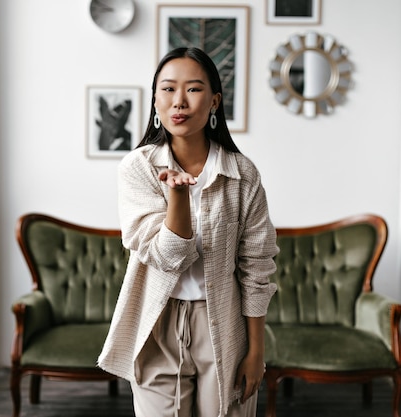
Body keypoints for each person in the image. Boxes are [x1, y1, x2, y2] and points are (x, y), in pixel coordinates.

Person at [98, 47, 278, 417]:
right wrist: (178, 197)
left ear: (214, 102)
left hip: (224, 324)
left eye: (194, 90)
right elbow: (168, 257)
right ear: (155, 100)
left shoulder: (242, 174)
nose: (179, 101)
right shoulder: (138, 167)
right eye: (167, 89)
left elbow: (257, 267)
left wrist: (256, 352)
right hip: (156, 324)